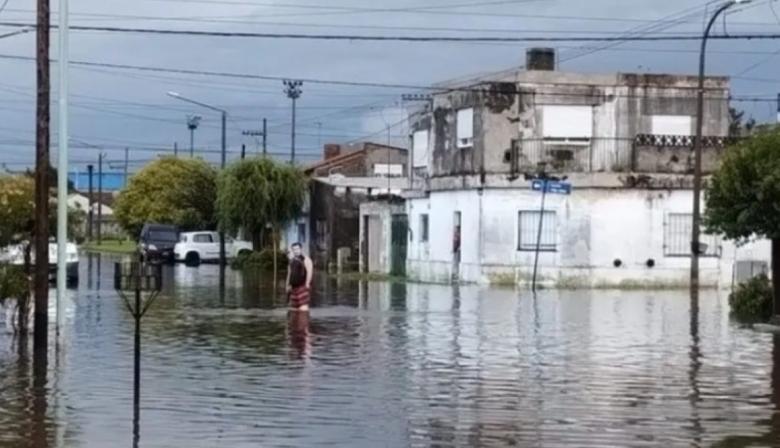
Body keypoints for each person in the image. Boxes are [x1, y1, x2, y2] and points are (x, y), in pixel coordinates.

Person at [286, 242, 313, 311]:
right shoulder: (291, 261)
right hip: (293, 287)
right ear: (292, 250)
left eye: (297, 249)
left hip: (302, 286)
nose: (296, 251)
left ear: (301, 249)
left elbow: (310, 272)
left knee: (303, 308)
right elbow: (289, 274)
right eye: (294, 249)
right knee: (293, 309)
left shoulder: (306, 259)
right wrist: (287, 285)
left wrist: (307, 284)